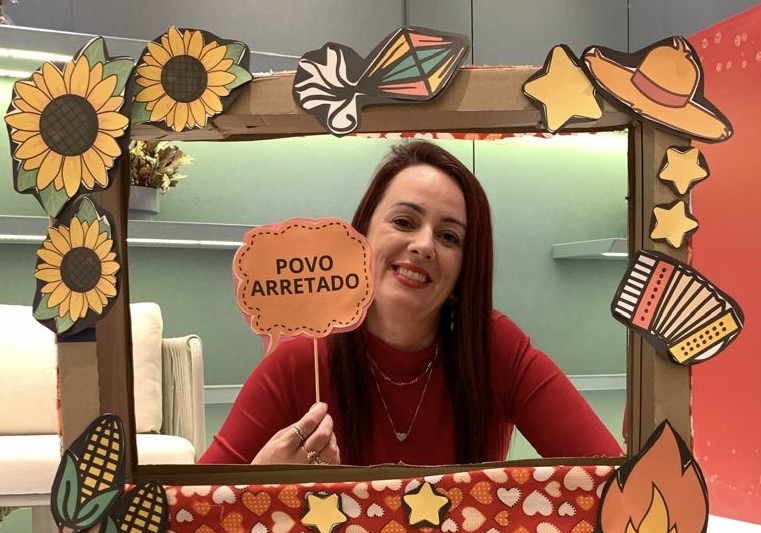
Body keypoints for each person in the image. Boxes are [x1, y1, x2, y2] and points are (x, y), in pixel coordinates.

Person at [199, 140, 623, 467]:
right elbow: (189, 517)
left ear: (464, 272)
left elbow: (612, 479)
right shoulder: (298, 361)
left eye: (449, 236)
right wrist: (257, 486)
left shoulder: (495, 348)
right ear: (361, 236)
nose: (423, 245)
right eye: (404, 221)